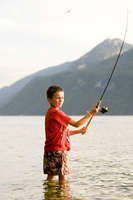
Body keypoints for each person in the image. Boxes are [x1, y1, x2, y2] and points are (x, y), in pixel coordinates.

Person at [43, 85, 101, 184]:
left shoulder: (50, 113)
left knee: (51, 178)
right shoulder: (57, 113)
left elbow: (64, 133)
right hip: (59, 151)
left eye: (62, 98)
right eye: (57, 98)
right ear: (49, 99)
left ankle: (50, 196)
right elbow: (77, 124)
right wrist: (91, 113)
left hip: (50, 150)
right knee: (63, 178)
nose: (61, 100)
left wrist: (79, 131)